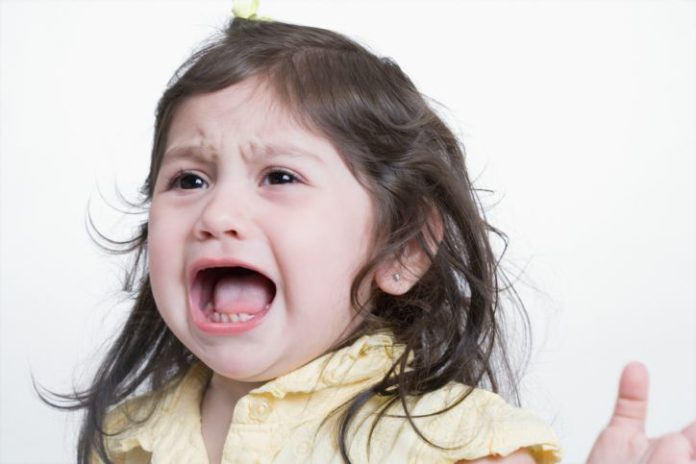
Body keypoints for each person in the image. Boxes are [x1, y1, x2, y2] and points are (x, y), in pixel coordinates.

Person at [45, 2, 695, 463]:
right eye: (189, 181)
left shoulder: (450, 443)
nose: (217, 216)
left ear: (403, 249)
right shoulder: (130, 438)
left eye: (278, 177)